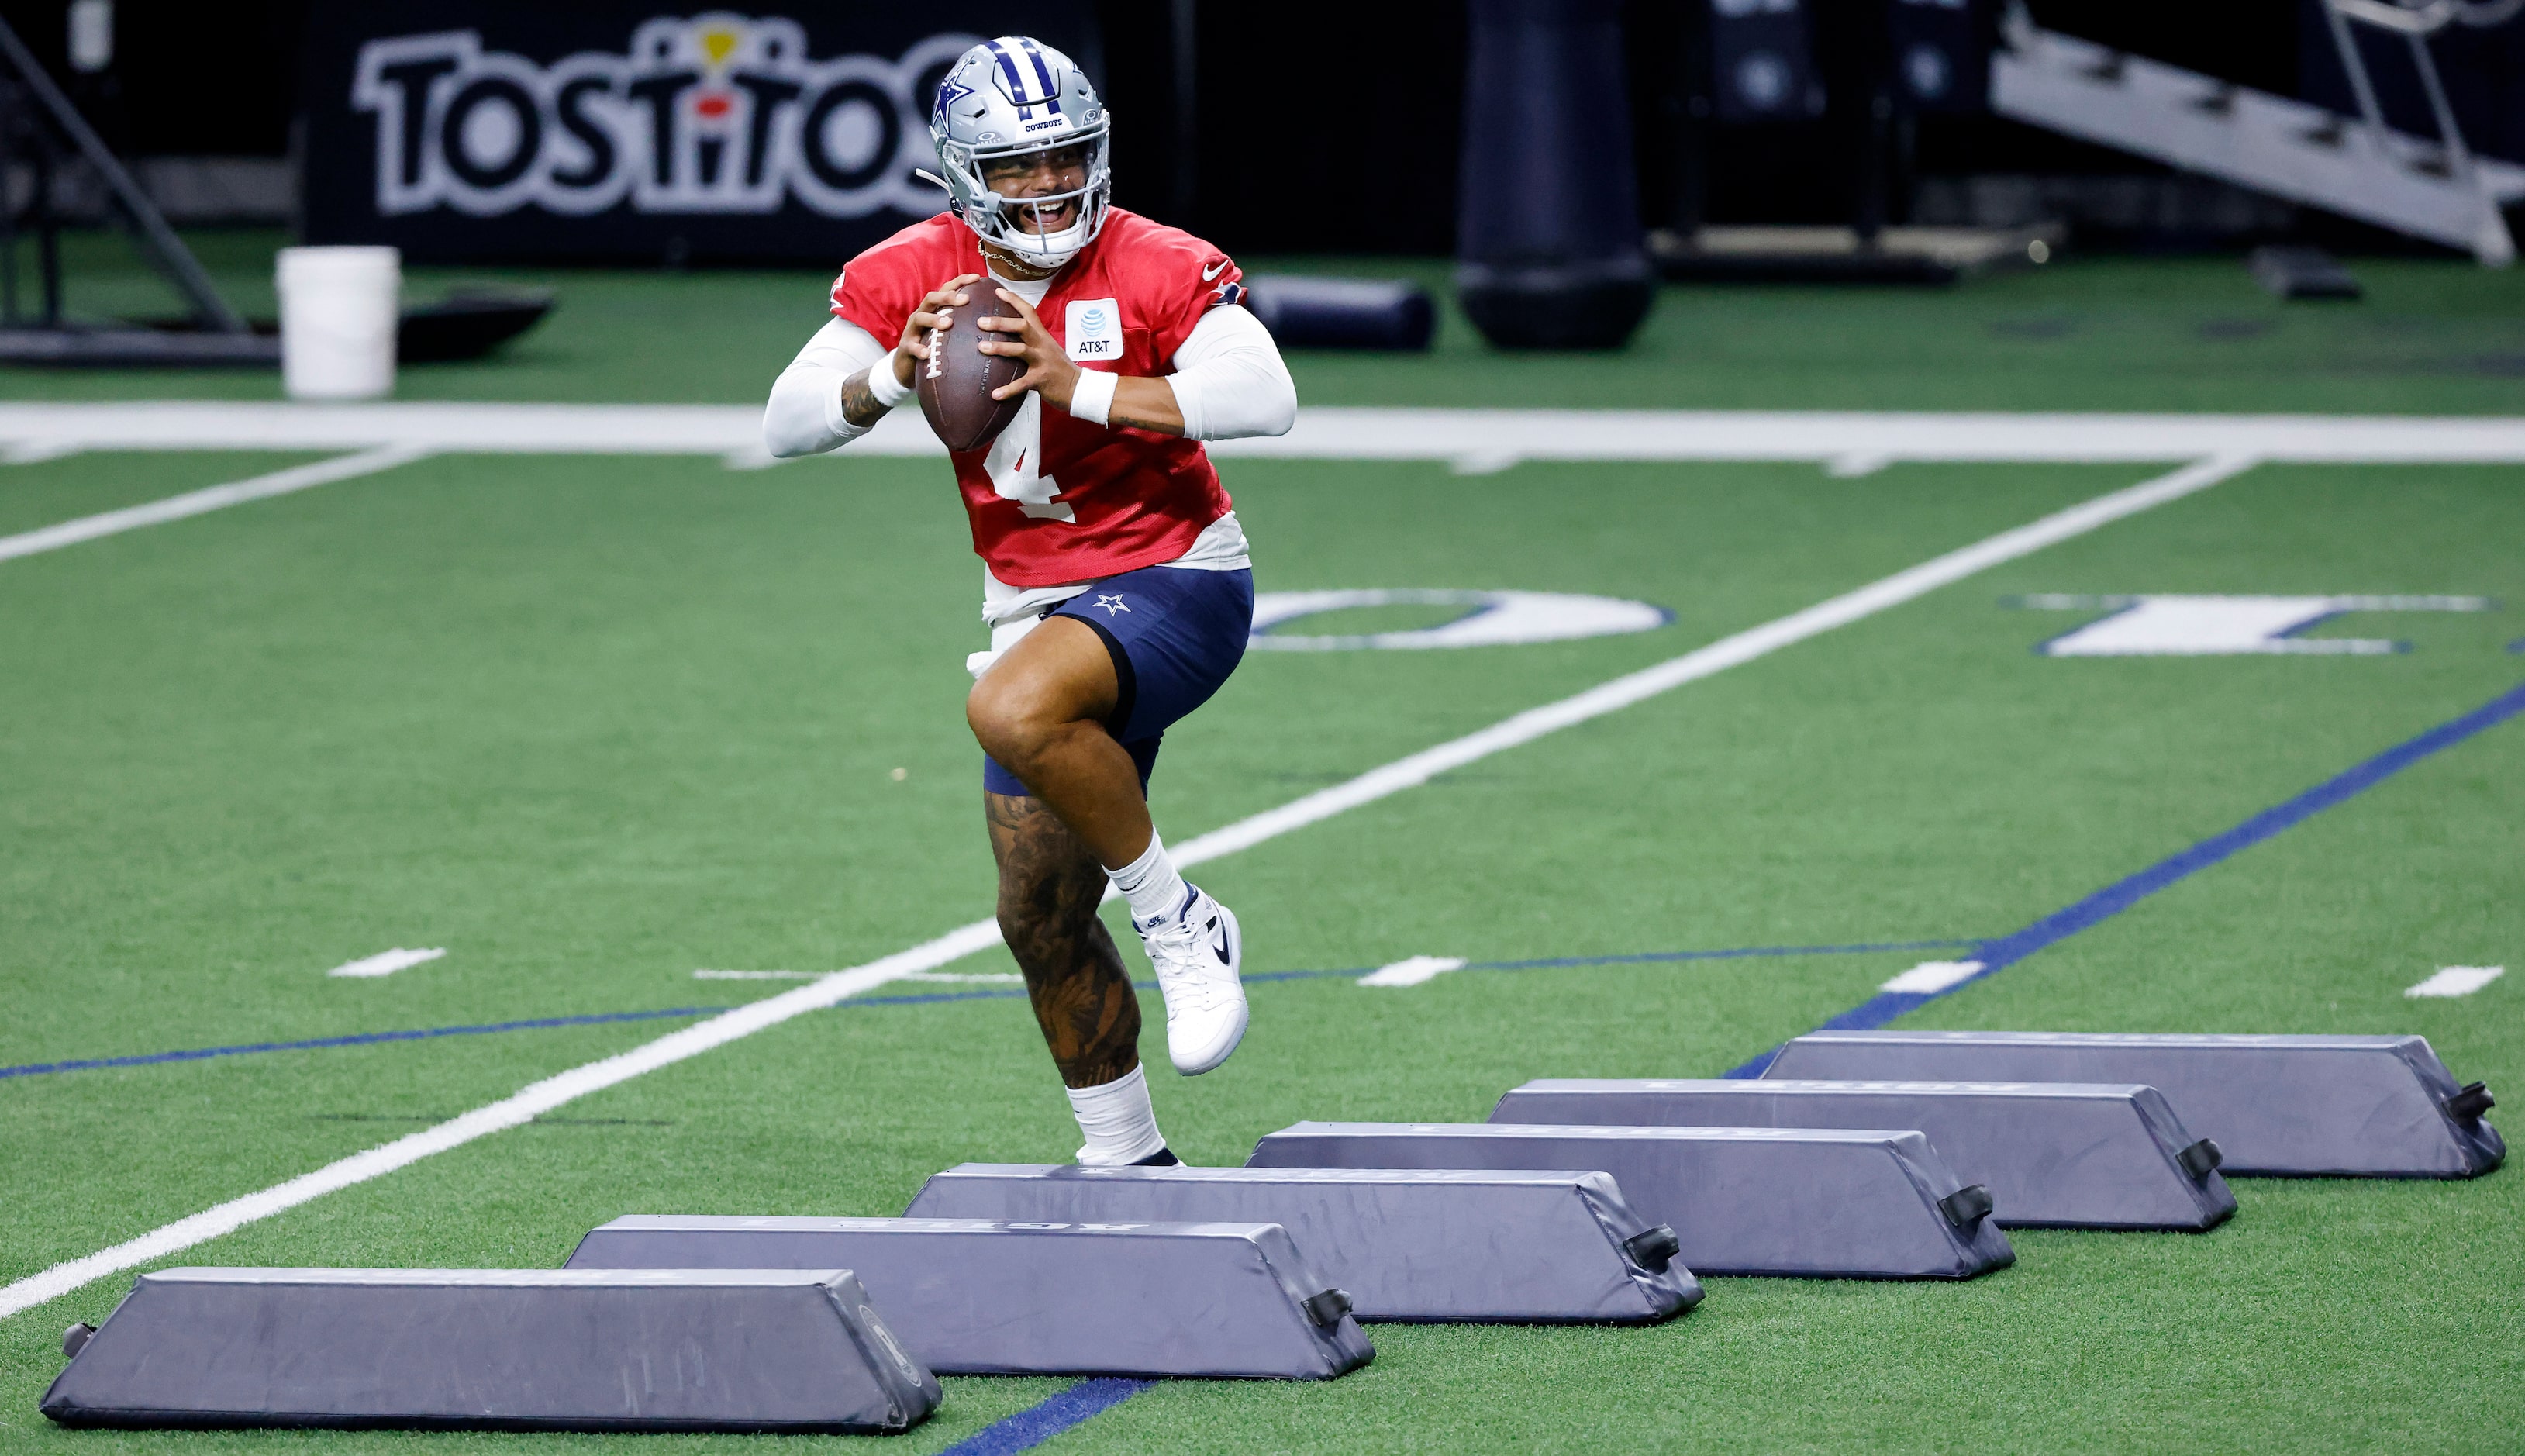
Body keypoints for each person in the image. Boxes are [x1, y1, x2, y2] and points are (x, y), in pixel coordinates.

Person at [762, 36, 1295, 1167]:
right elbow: (786, 417)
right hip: (1036, 605)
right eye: (1016, 168)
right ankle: (1127, 1158)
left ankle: (1177, 916)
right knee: (1038, 914)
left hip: (1177, 575)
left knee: (1010, 709)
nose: (1046, 187)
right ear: (962, 174)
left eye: (1062, 159)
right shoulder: (918, 268)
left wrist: (1077, 383)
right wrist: (888, 379)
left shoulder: (1155, 260)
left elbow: (1266, 392)